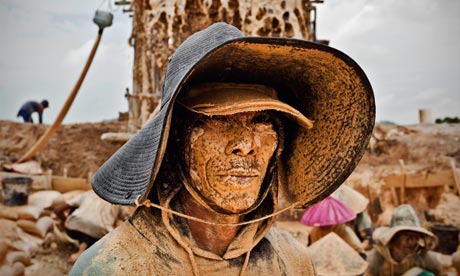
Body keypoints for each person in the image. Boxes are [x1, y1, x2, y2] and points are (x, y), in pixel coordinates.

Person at [70, 22, 375, 275]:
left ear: (280, 143)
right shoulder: (111, 267)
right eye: (218, 120)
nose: (244, 145)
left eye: (262, 121)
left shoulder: (292, 263)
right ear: (176, 138)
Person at [54, 190, 132, 263]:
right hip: (100, 233)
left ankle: (81, 250)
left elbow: (58, 210)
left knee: (76, 212)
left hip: (73, 228)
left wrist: (64, 220)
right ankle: (84, 251)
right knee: (97, 231)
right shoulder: (119, 200)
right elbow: (128, 219)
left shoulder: (89, 193)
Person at [366, 204, 441, 276]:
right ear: (394, 237)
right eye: (406, 235)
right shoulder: (377, 257)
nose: (411, 241)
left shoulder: (421, 255)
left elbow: (438, 270)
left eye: (415, 236)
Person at [301, 196, 367, 258]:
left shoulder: (342, 230)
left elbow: (358, 251)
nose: (325, 226)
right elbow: (311, 250)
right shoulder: (315, 232)